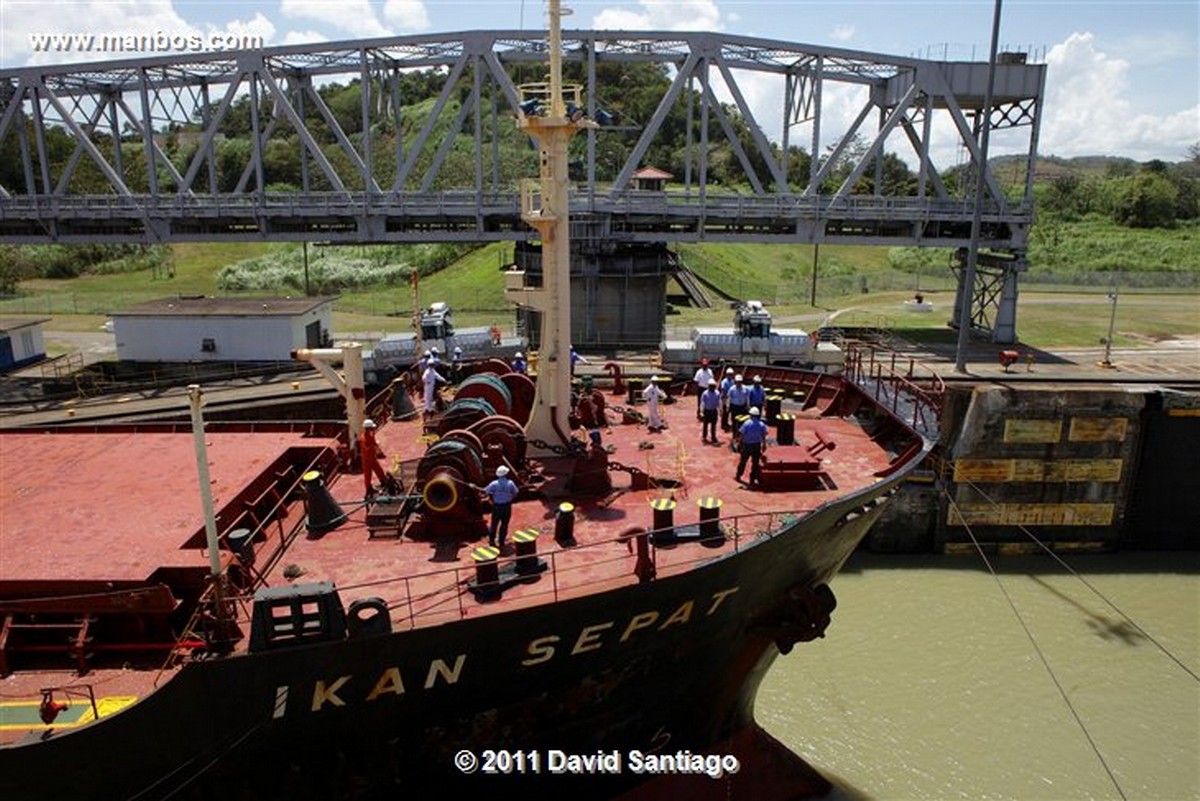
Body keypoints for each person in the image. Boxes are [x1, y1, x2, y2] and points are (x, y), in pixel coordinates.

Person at [484, 466, 519, 548]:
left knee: (494, 524)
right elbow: (516, 492)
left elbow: (485, 491)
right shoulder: (510, 483)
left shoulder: (494, 484)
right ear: (506, 474)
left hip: (497, 507)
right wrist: (509, 498)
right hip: (506, 507)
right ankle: (501, 542)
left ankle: (492, 541)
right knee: (504, 524)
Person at [736, 407, 769, 487]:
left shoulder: (747, 423)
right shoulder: (762, 424)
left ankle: (739, 475)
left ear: (750, 415)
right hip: (756, 446)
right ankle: (752, 479)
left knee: (743, 461)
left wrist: (739, 444)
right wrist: (764, 445)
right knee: (755, 463)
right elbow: (764, 436)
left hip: (747, 445)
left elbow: (742, 435)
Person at [358, 418, 390, 496]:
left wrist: (375, 444)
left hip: (372, 457)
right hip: (367, 460)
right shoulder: (363, 438)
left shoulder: (370, 435)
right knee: (368, 474)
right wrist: (373, 445)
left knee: (378, 469)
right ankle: (369, 489)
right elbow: (366, 448)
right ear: (368, 428)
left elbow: (373, 442)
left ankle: (383, 481)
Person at [699, 378, 721, 444]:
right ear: (708, 386)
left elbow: (719, 402)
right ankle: (704, 436)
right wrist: (701, 411)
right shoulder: (705, 393)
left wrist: (720, 410)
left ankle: (713, 437)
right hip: (707, 411)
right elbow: (702, 402)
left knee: (713, 425)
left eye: (713, 386)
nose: (712, 387)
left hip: (714, 411)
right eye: (711, 386)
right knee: (705, 424)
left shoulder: (717, 393)